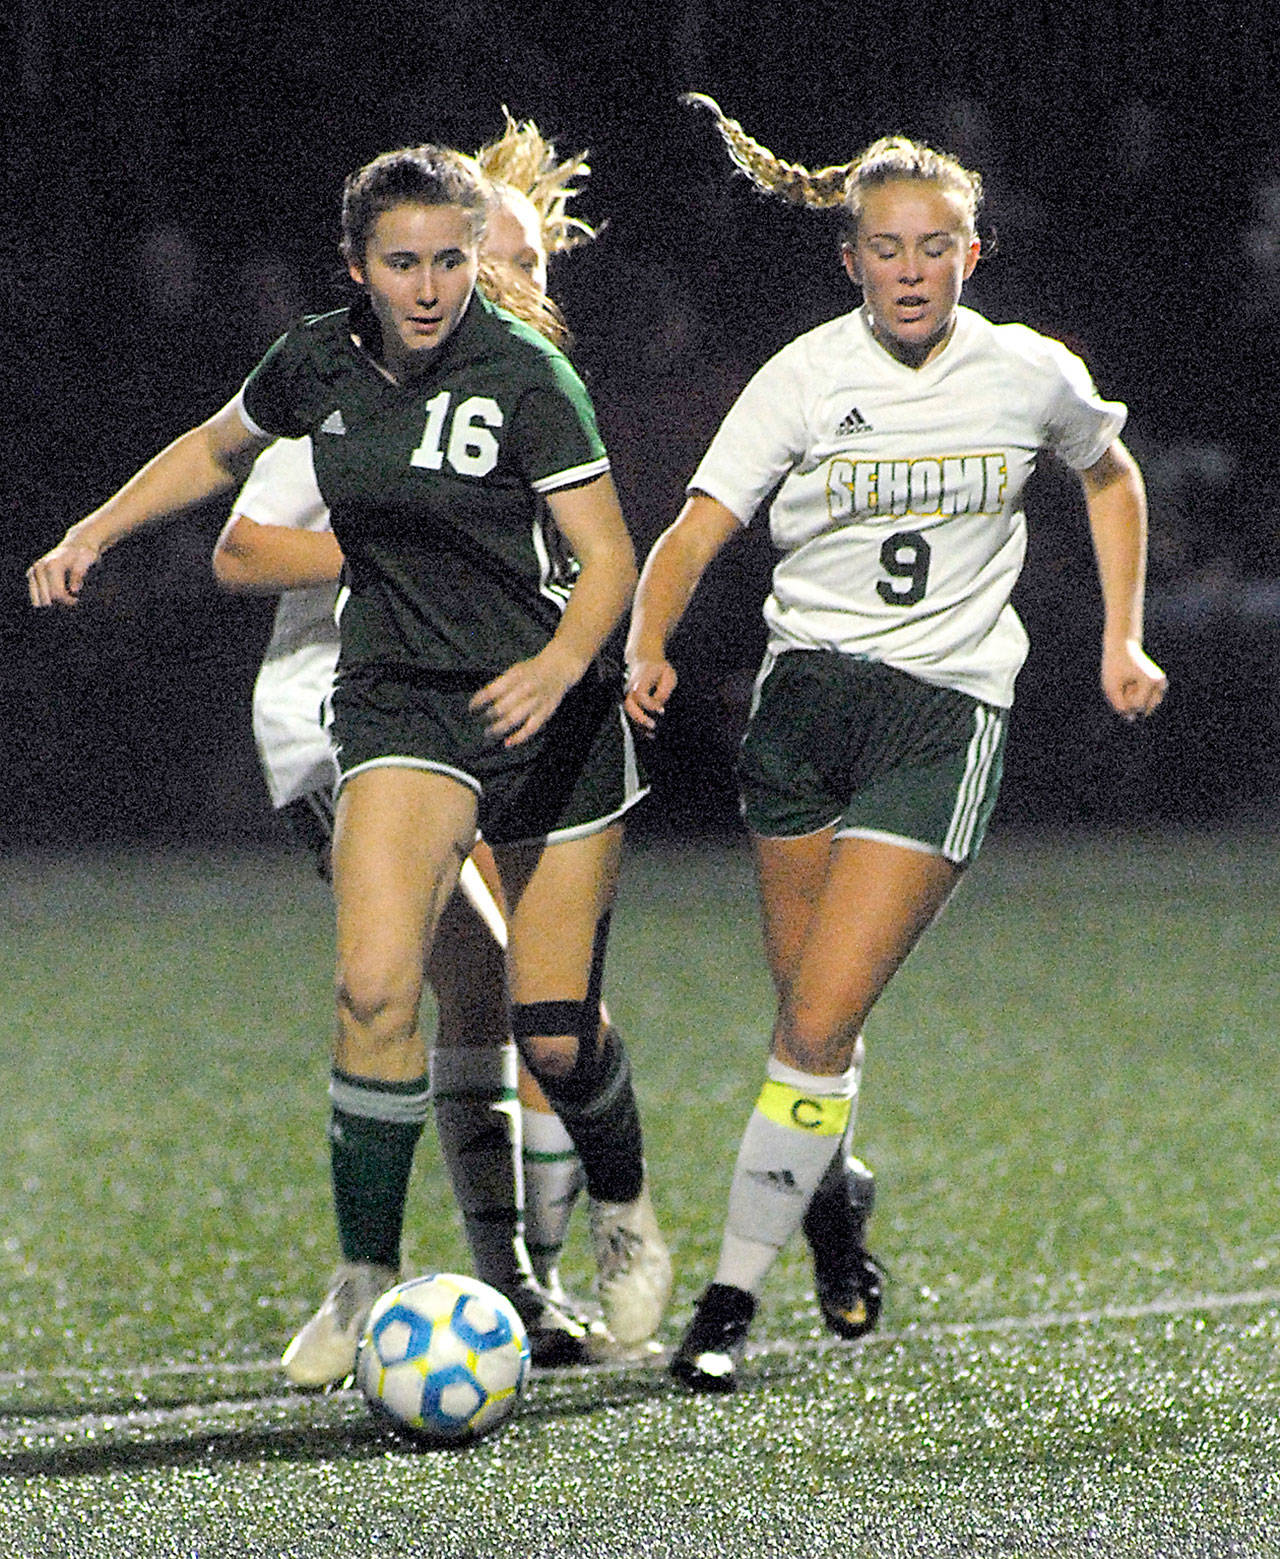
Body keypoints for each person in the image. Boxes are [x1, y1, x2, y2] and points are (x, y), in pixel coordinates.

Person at [27, 138, 672, 1387]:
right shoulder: (317, 360)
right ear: (356, 266)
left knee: (549, 1029)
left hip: (544, 712)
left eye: (450, 262)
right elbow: (217, 450)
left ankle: (625, 1208)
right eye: (403, 263)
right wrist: (96, 529)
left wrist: (557, 667)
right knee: (375, 991)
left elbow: (608, 555)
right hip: (397, 706)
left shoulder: (525, 372)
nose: (431, 287)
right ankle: (364, 1276)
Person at [624, 95, 1167, 1393]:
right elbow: (696, 527)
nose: (910, 269)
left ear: (971, 253)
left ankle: (726, 1299)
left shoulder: (1027, 370)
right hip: (800, 712)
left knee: (817, 1019)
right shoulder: (805, 375)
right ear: (849, 257)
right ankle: (833, 1194)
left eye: (933, 246)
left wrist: (1120, 637)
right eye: (885, 247)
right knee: (809, 1022)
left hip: (942, 712)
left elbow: (1109, 471)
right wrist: (646, 638)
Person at [210, 118, 640, 1368]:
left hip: (468, 712)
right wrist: (410, 550)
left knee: (511, 995)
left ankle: (524, 1273)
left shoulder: (516, 386)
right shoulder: (359, 371)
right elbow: (241, 542)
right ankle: (421, 1276)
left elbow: (596, 555)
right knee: (425, 979)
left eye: (531, 264)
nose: (516, 282)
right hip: (334, 717)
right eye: (497, 257)